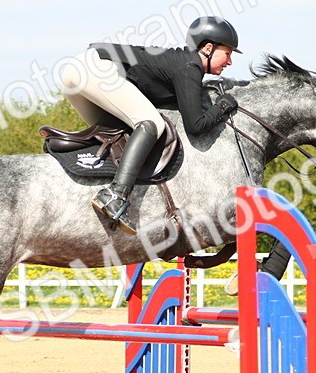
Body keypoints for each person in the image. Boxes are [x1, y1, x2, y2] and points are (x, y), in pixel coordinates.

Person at [57, 16, 242, 234]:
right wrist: (223, 106)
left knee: (118, 133)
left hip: (77, 71)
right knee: (151, 123)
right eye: (227, 53)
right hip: (95, 69)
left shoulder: (184, 64)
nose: (229, 62)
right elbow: (195, 125)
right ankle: (115, 195)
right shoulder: (190, 67)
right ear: (208, 47)